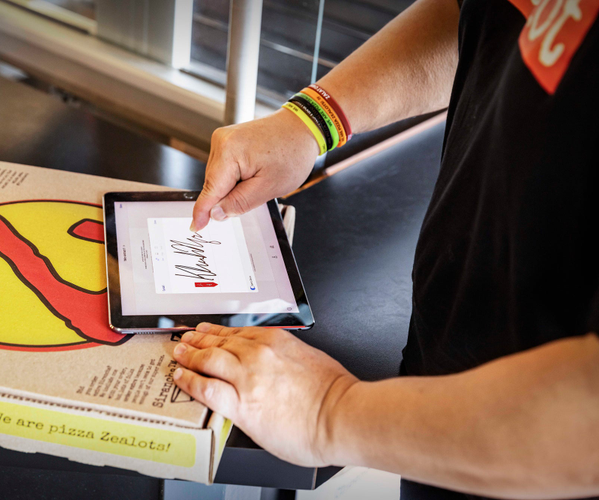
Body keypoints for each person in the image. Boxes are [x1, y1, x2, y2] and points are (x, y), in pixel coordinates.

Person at [171, 0, 599, 498]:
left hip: (529, 455)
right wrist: (312, 121)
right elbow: (485, 15)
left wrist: (328, 412)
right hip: (443, 389)